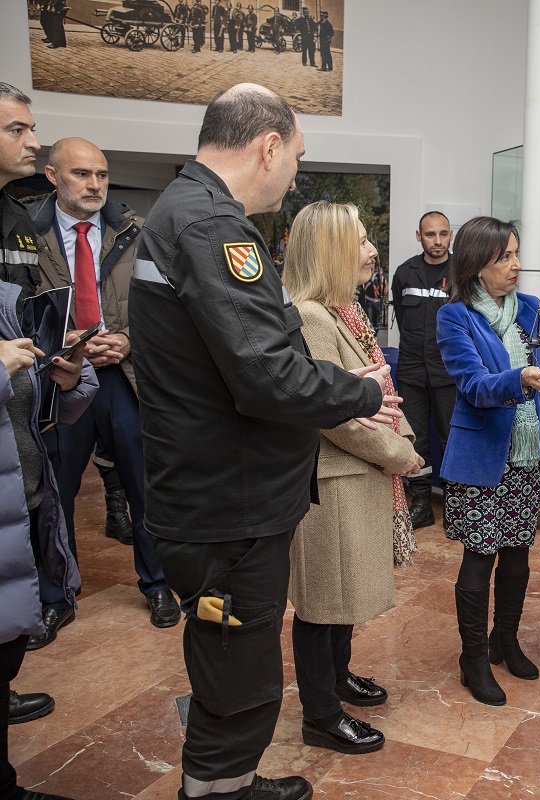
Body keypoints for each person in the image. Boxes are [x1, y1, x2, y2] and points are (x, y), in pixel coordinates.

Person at [129, 83, 399, 800]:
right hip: (228, 504)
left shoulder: (188, 213)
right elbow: (267, 376)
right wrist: (363, 390)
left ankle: (228, 781)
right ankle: (218, 789)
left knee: (235, 662)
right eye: (297, 157)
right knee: (236, 665)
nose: (293, 175)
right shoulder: (211, 227)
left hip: (224, 493)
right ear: (267, 145)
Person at [436, 217, 540, 707]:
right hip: (484, 454)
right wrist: (519, 379)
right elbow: (472, 386)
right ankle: (473, 659)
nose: (516, 265)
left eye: (516, 253)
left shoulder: (531, 309)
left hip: (527, 456)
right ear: (475, 265)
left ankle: (505, 640)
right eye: (503, 256)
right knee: (479, 558)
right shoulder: (455, 318)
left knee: (518, 554)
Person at [282, 201, 422, 755]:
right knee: (323, 602)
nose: (371, 251)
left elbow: (380, 392)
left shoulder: (343, 310)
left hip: (356, 479)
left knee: (343, 597)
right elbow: (338, 418)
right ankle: (320, 714)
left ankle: (338, 679)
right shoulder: (312, 317)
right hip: (333, 482)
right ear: (330, 252)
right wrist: (400, 455)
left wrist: (401, 438)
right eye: (361, 242)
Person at [28, 137, 179, 645]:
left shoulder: (136, 232)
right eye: (81, 174)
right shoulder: (25, 234)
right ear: (52, 176)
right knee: (57, 492)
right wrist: (56, 342)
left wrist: (130, 340)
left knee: (143, 487)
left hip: (123, 377)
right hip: (59, 378)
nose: (94, 184)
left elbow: (166, 307)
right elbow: (17, 309)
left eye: (101, 174)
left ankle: (157, 585)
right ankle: (56, 596)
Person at [0, 80, 95, 800]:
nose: (31, 142)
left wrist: (55, 358)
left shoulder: (15, 220)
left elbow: (26, 314)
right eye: (17, 129)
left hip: (22, 430)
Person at [391, 211, 455, 529]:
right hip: (412, 370)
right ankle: (421, 503)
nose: (438, 241)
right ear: (419, 237)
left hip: (450, 370)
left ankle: (458, 504)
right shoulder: (404, 274)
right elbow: (403, 319)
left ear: (450, 236)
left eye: (443, 234)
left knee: (453, 435)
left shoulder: (462, 274)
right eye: (431, 235)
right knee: (415, 439)